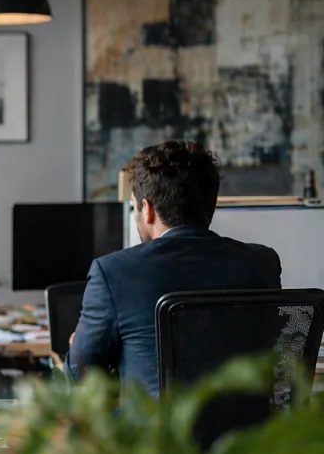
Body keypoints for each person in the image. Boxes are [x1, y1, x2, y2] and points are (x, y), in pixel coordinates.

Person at [66, 141, 282, 396]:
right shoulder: (262, 262)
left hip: (159, 435)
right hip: (252, 434)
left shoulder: (113, 271)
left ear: (146, 210)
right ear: (211, 206)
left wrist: (74, 346)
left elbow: (81, 375)